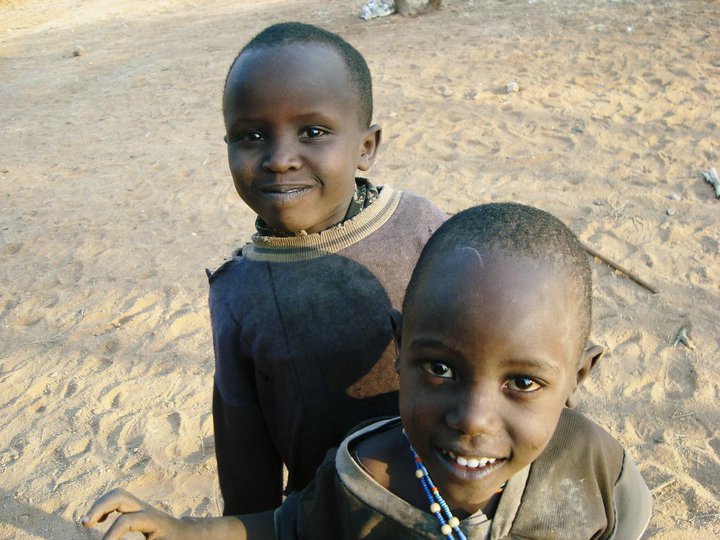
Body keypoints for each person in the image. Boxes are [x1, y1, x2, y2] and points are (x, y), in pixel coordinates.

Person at [82, 203, 652, 539]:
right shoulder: (363, 479)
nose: (473, 419)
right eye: (439, 367)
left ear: (579, 376)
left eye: (522, 383)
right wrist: (183, 530)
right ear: (399, 348)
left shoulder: (596, 465)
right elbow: (282, 530)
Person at [210, 22, 447, 515]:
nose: (279, 160)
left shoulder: (422, 229)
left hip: (453, 497)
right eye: (251, 136)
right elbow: (245, 457)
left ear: (366, 147)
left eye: (312, 132)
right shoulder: (238, 291)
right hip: (326, 516)